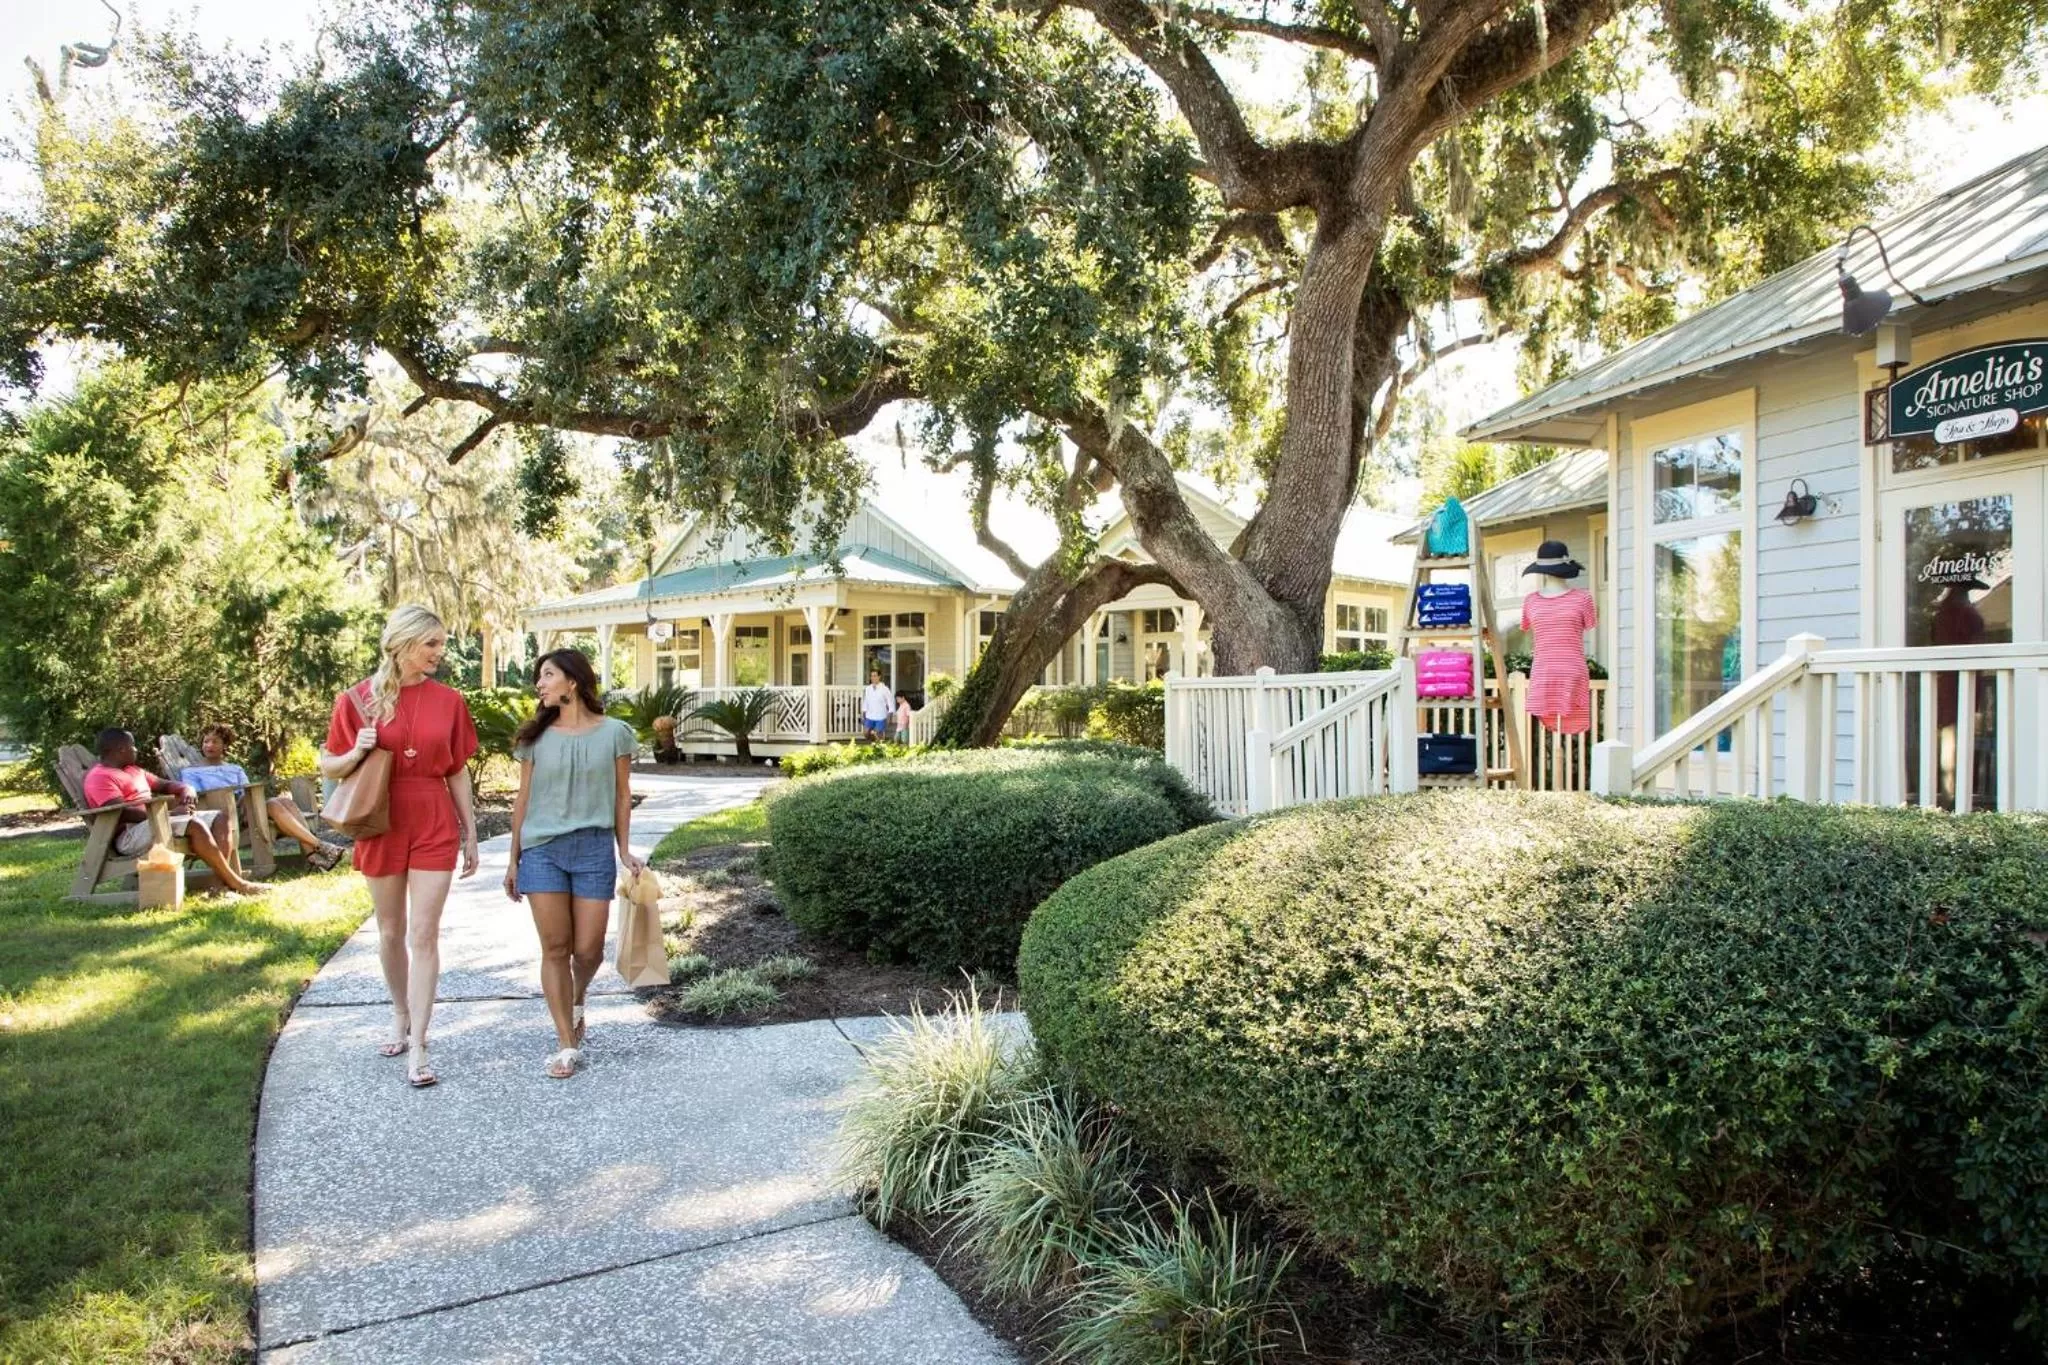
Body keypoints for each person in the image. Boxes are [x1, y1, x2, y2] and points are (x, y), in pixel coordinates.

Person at [320, 605, 479, 1088]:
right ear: (404, 643)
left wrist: (470, 831)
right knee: (390, 930)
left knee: (424, 934)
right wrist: (358, 750)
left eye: (441, 643)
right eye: (431, 643)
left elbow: (455, 769)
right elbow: (330, 764)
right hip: (381, 819)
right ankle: (399, 1013)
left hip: (432, 816)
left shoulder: (449, 700)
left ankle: (421, 1045)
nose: (439, 652)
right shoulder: (357, 699)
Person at [502, 649, 644, 1079]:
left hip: (593, 849)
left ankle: (577, 997)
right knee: (555, 948)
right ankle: (566, 1043)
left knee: (587, 950)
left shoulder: (616, 734)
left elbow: (622, 796)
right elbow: (522, 800)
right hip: (542, 849)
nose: (539, 685)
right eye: (538, 678)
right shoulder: (534, 739)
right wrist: (513, 859)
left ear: (573, 682)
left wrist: (624, 850)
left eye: (547, 675)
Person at [84, 729, 267, 895]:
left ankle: (219, 886)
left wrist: (187, 789)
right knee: (194, 825)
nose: (136, 750)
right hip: (130, 836)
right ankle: (237, 883)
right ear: (120, 749)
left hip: (156, 823)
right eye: (132, 746)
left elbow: (165, 784)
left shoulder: (134, 770)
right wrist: (167, 816)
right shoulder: (100, 777)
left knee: (220, 818)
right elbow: (121, 813)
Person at [180, 723, 348, 871]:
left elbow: (247, 790)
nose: (209, 745)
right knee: (273, 805)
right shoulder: (190, 772)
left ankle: (311, 853)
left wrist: (241, 799)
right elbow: (196, 797)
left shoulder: (235, 769)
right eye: (206, 741)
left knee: (283, 802)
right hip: (223, 816)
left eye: (215, 741)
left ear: (224, 745)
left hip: (245, 808)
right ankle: (318, 846)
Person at [861, 668, 892, 741]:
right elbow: (866, 701)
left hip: (880, 716)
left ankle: (878, 742)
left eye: (875, 676)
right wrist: (863, 712)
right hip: (870, 715)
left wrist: (890, 715)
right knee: (866, 733)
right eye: (871, 676)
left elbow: (890, 702)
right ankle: (874, 737)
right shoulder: (868, 689)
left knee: (878, 736)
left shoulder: (885, 689)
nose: (873, 678)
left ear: (879, 677)